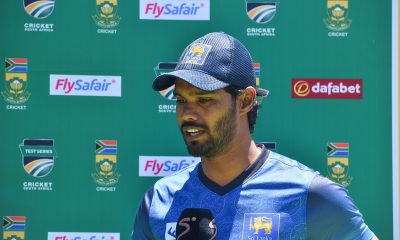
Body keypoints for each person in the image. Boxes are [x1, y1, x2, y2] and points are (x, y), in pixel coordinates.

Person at [132, 32, 378, 240]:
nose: (187, 114)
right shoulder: (160, 199)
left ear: (246, 101)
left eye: (204, 100)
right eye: (181, 101)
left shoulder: (311, 195)